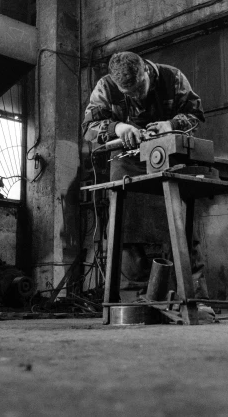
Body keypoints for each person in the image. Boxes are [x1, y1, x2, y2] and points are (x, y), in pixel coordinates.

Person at [82, 51, 207, 297]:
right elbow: (88, 128)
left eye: (140, 88)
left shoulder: (173, 78)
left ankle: (192, 295)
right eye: (129, 94)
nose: (137, 97)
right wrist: (119, 127)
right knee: (126, 228)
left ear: (146, 71)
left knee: (183, 225)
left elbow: (196, 116)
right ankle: (135, 298)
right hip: (128, 162)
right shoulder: (106, 88)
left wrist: (171, 125)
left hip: (171, 159)